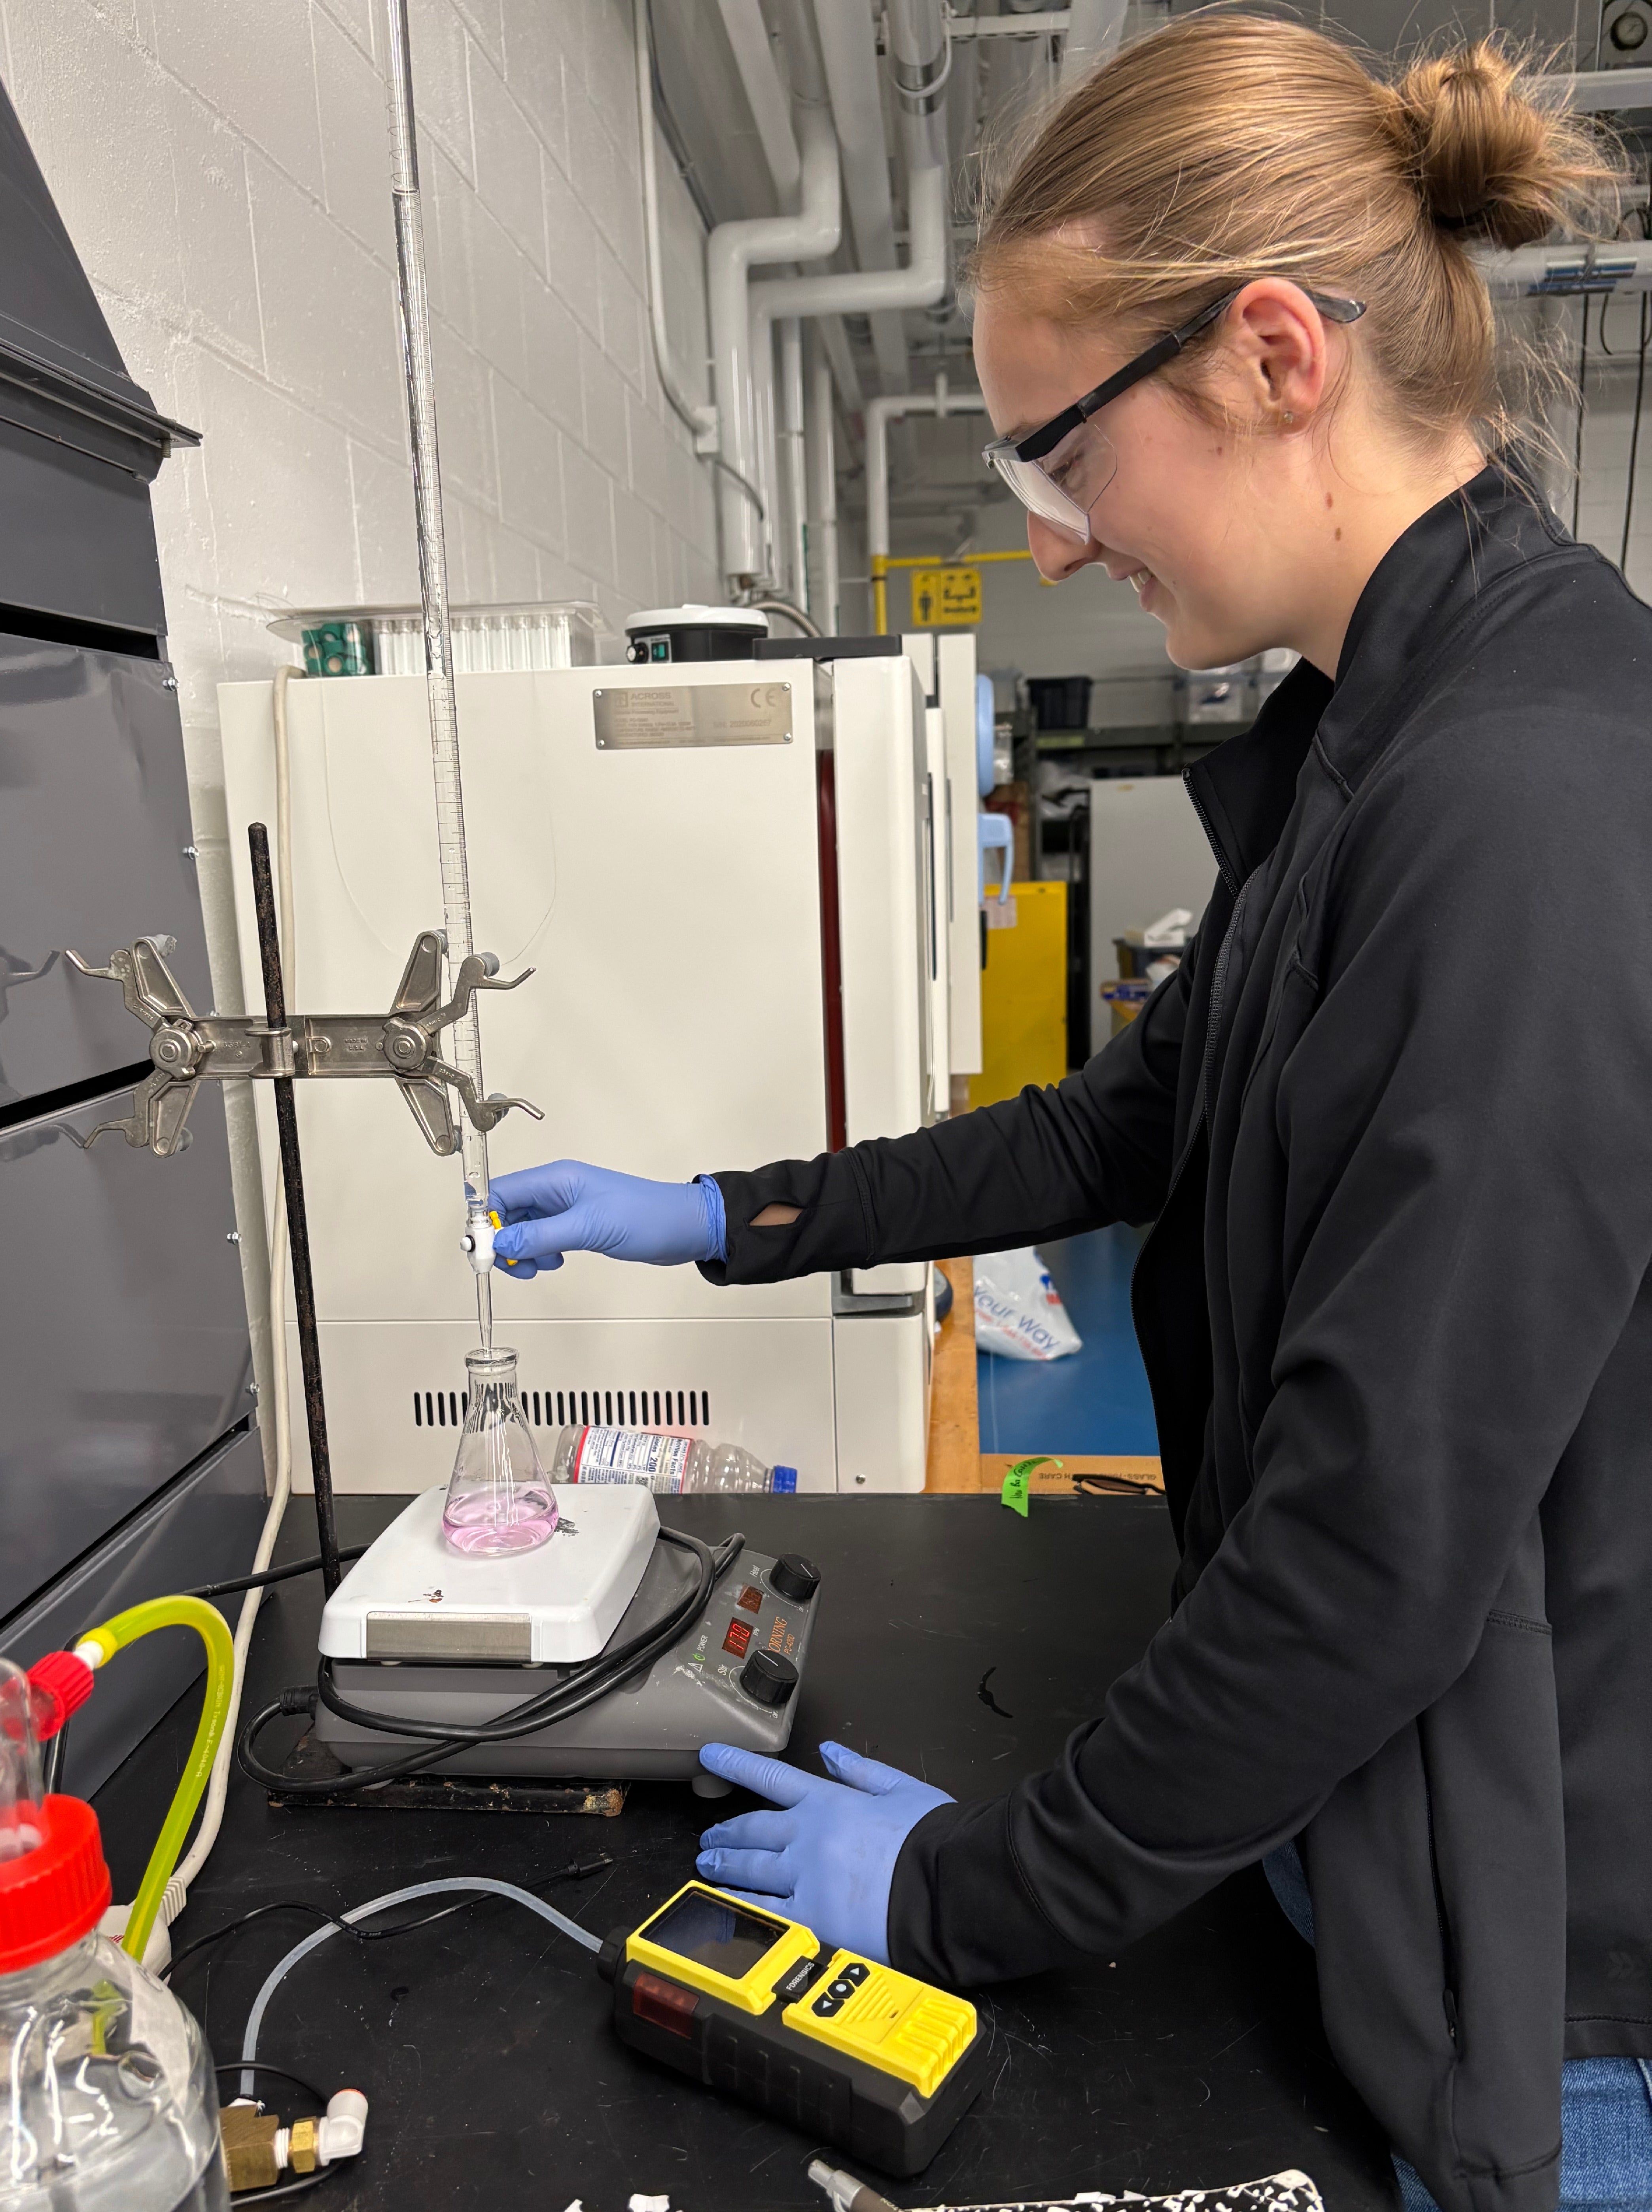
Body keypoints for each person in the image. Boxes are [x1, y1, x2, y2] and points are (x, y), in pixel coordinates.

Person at [486, 23, 1652, 2212]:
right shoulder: (1367, 747)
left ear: (1274, 353)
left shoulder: (1523, 793)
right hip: (1376, 1837)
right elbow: (1117, 1132)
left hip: (1552, 1967)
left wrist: (971, 1892)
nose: (1054, 529)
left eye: (1055, 453)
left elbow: (1375, 1535)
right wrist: (718, 1212)